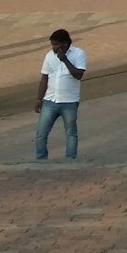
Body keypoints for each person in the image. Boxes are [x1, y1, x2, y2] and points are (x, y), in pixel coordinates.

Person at [34, 29, 87, 161]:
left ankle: (70, 160)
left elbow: (78, 75)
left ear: (65, 43)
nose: (53, 48)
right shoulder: (49, 56)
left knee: (71, 133)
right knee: (41, 133)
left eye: (56, 44)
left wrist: (65, 60)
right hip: (50, 100)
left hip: (69, 101)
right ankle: (41, 160)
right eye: (52, 44)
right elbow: (44, 78)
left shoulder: (78, 54)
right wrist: (39, 99)